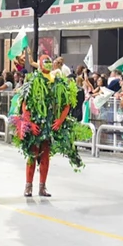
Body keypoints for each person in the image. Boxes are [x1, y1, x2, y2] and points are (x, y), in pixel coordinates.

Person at [9, 55, 89, 198]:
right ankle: (28, 186)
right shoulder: (32, 82)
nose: (47, 64)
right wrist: (30, 123)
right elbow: (25, 105)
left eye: (49, 62)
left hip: (50, 126)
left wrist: (59, 121)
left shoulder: (58, 82)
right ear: (39, 64)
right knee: (32, 155)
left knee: (45, 156)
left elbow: (67, 104)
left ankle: (42, 187)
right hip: (36, 125)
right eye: (44, 61)